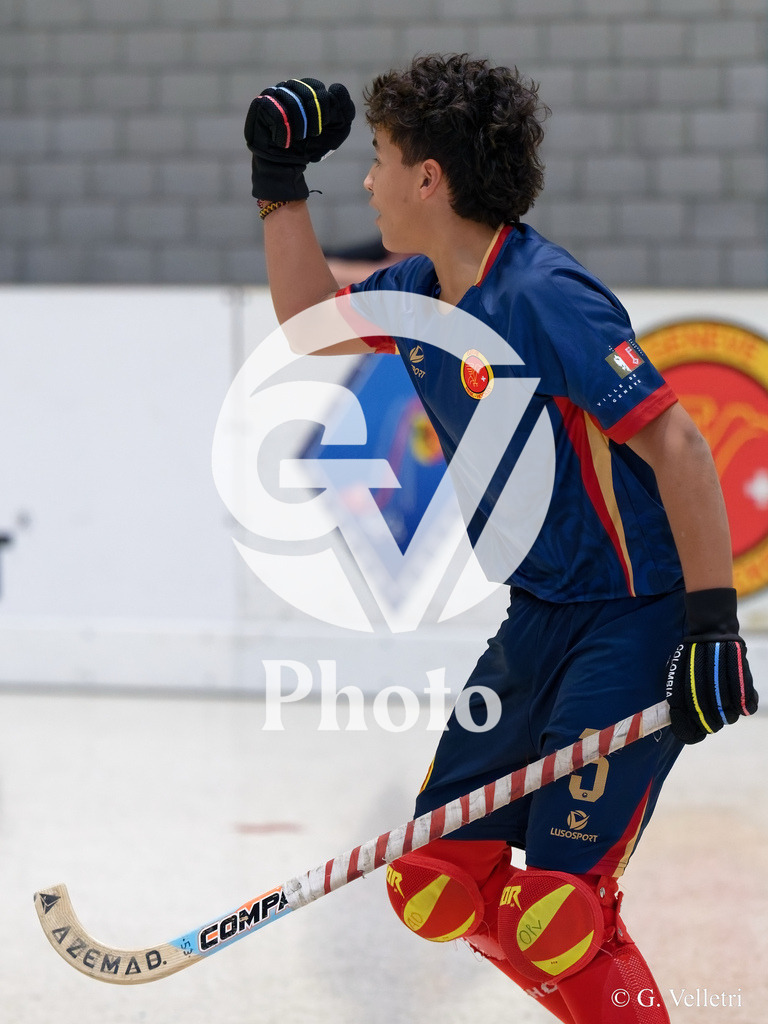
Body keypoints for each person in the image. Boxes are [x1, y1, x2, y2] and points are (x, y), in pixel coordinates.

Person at [243, 56, 758, 1023]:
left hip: (633, 622)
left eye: (381, 158)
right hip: (539, 620)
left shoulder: (546, 295)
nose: (367, 180)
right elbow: (312, 325)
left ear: (428, 178)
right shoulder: (422, 289)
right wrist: (279, 187)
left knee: (559, 909)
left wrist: (713, 627)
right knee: (440, 875)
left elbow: (682, 447)